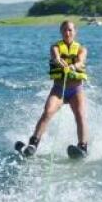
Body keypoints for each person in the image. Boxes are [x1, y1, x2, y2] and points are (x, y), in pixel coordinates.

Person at [23, 20, 89, 156]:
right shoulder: (55, 47)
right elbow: (56, 57)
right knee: (47, 112)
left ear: (75, 32)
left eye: (70, 30)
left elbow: (81, 61)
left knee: (80, 116)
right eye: (64, 30)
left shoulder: (82, 49)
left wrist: (73, 66)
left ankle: (82, 147)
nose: (67, 33)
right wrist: (61, 63)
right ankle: (33, 143)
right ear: (61, 32)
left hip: (75, 90)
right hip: (59, 89)